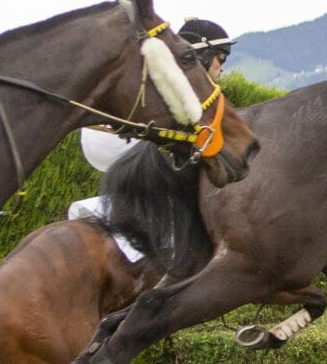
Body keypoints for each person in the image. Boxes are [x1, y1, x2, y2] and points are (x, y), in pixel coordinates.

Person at [68, 18, 232, 235]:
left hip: (98, 143)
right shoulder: (189, 90)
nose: (222, 67)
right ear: (203, 55)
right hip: (120, 145)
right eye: (221, 57)